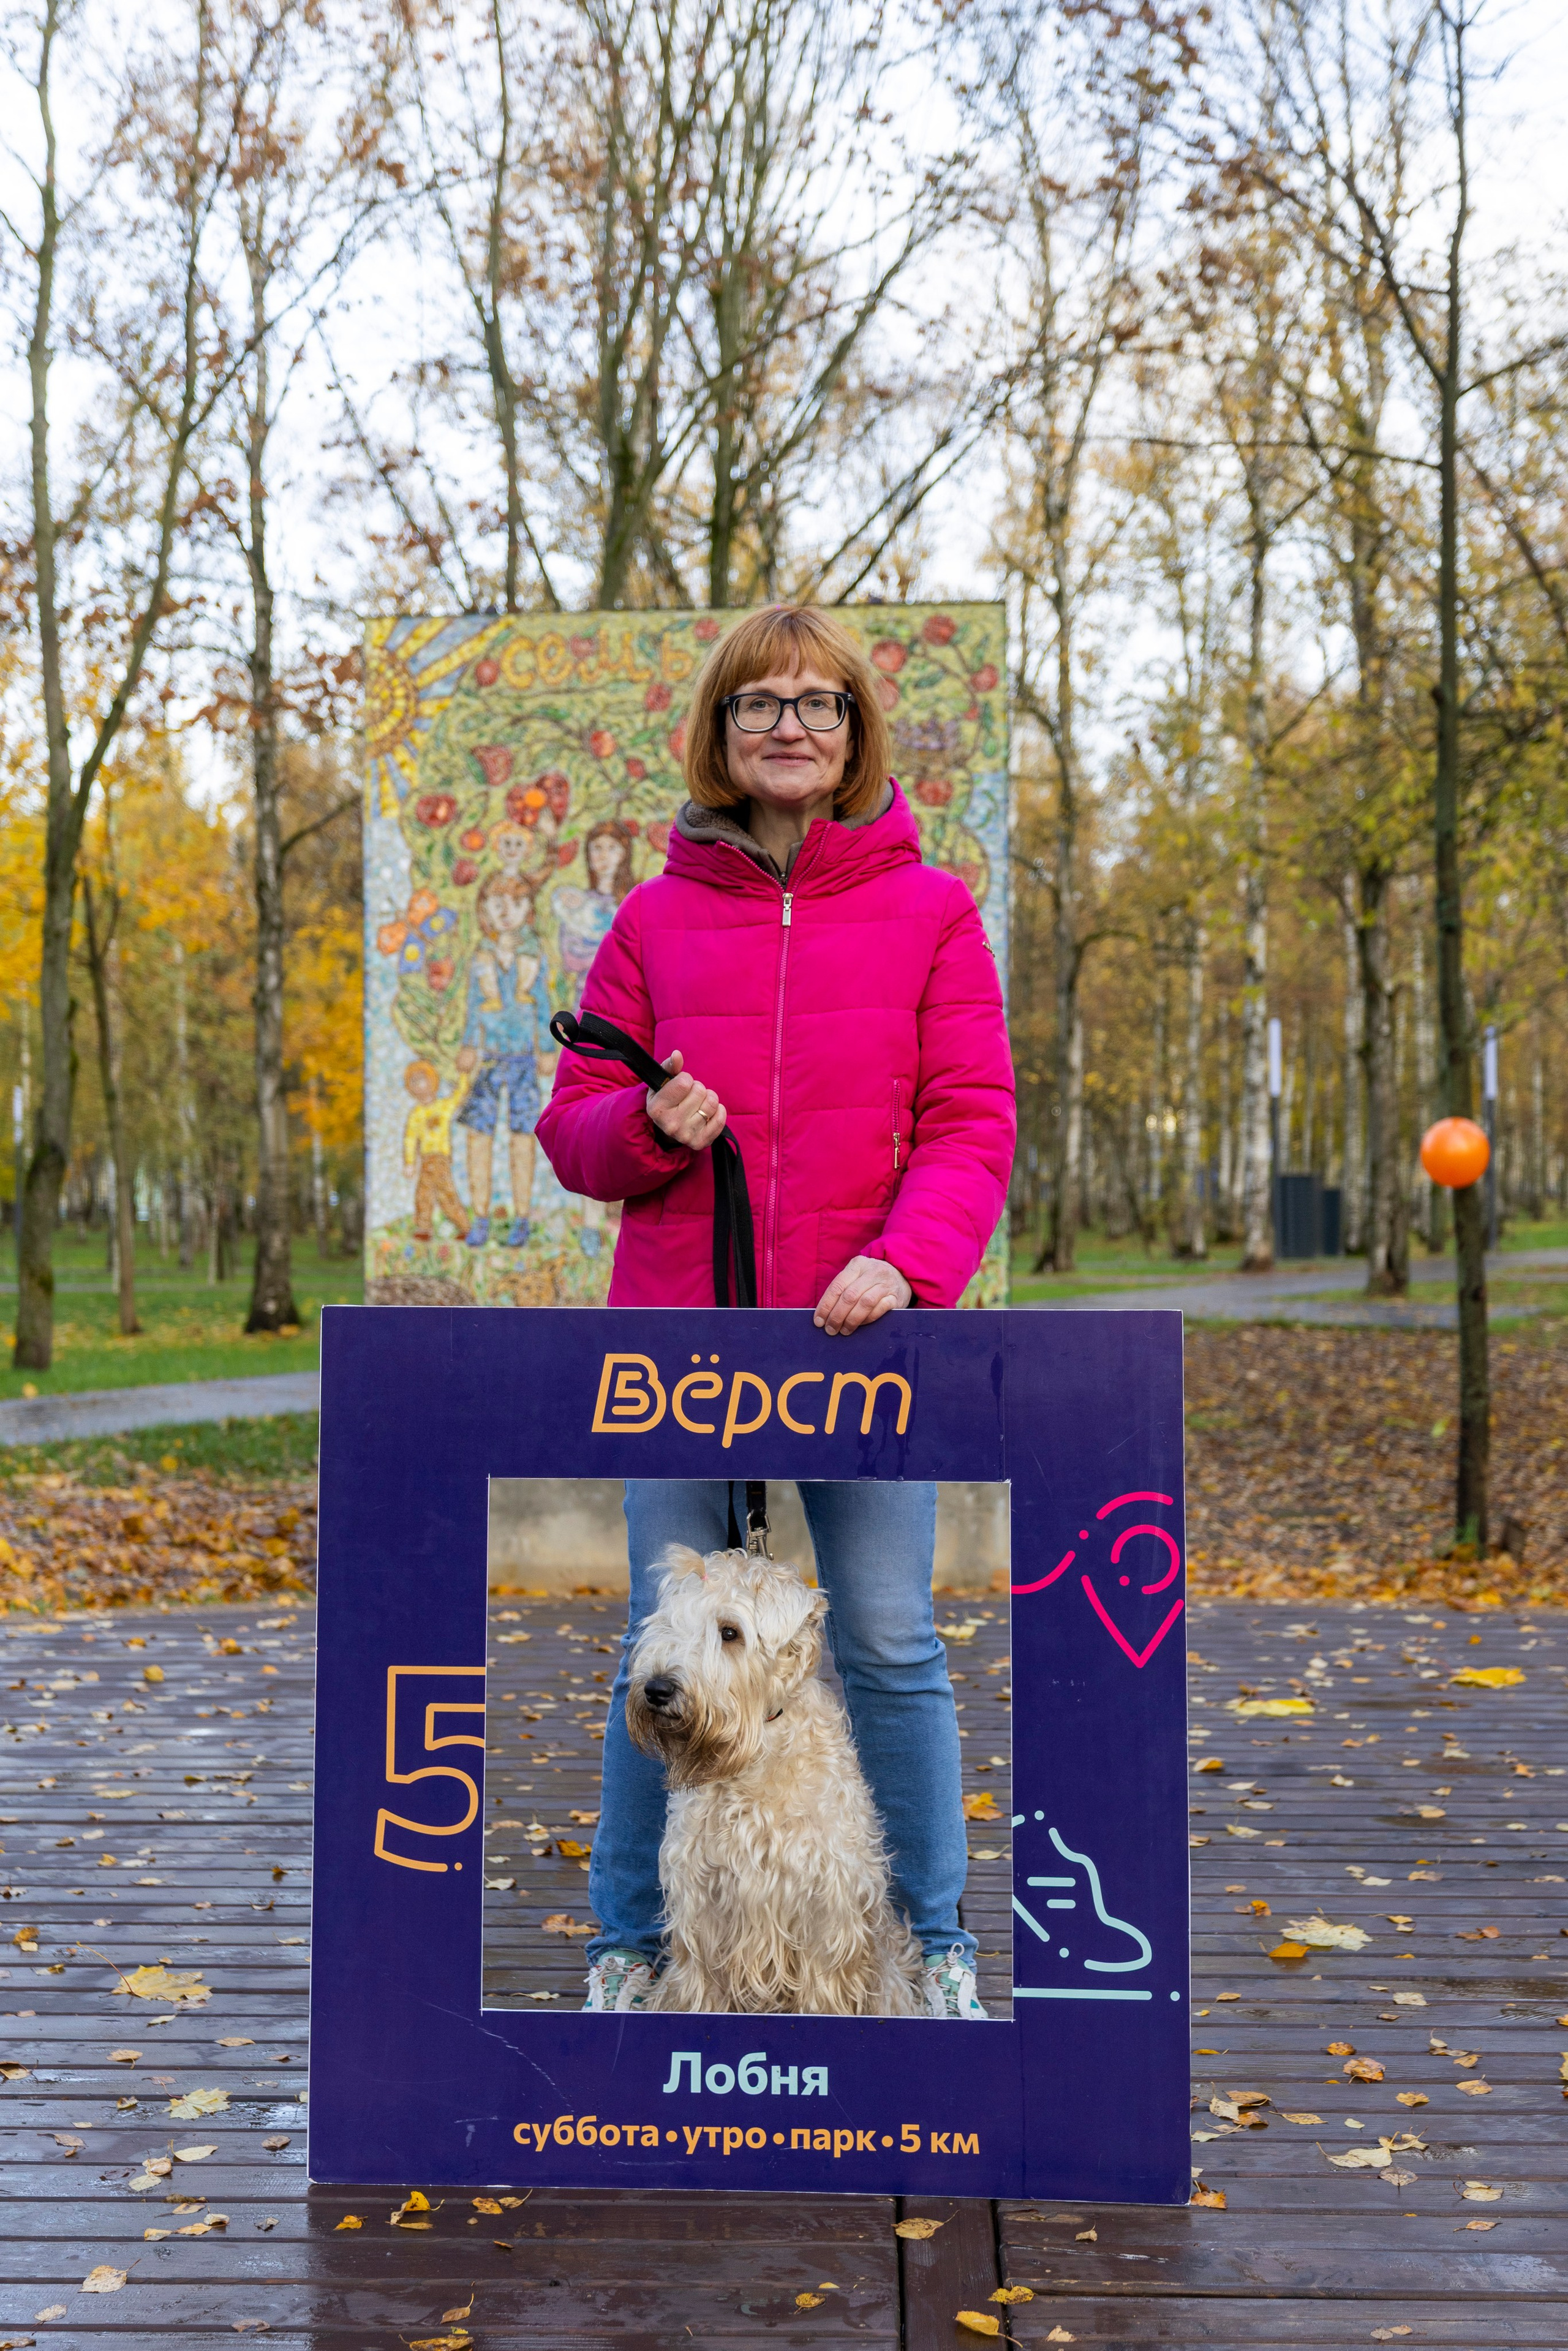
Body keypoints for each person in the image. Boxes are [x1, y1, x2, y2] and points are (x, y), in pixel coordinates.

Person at [536, 603, 1015, 2018]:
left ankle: (925, 1941)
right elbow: (574, 1131)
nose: (790, 725)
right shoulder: (651, 918)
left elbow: (971, 1122)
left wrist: (906, 1260)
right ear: (720, 734)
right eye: (760, 705)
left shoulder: (930, 911)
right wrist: (647, 1124)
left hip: (863, 1336)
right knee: (663, 1645)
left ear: (856, 732)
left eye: (818, 703)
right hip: (683, 1339)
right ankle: (629, 1943)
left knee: (882, 1635)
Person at [456, 875, 556, 1249]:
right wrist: (468, 1044)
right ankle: (479, 1215)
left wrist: (547, 1047)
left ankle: (521, 1217)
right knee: (479, 1135)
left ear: (527, 911)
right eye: (496, 904)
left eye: (514, 905)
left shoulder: (534, 957)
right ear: (484, 910)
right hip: (488, 1060)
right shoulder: (480, 957)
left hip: (523, 1060)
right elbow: (471, 1006)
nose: (505, 912)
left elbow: (544, 1004)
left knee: (522, 1137)